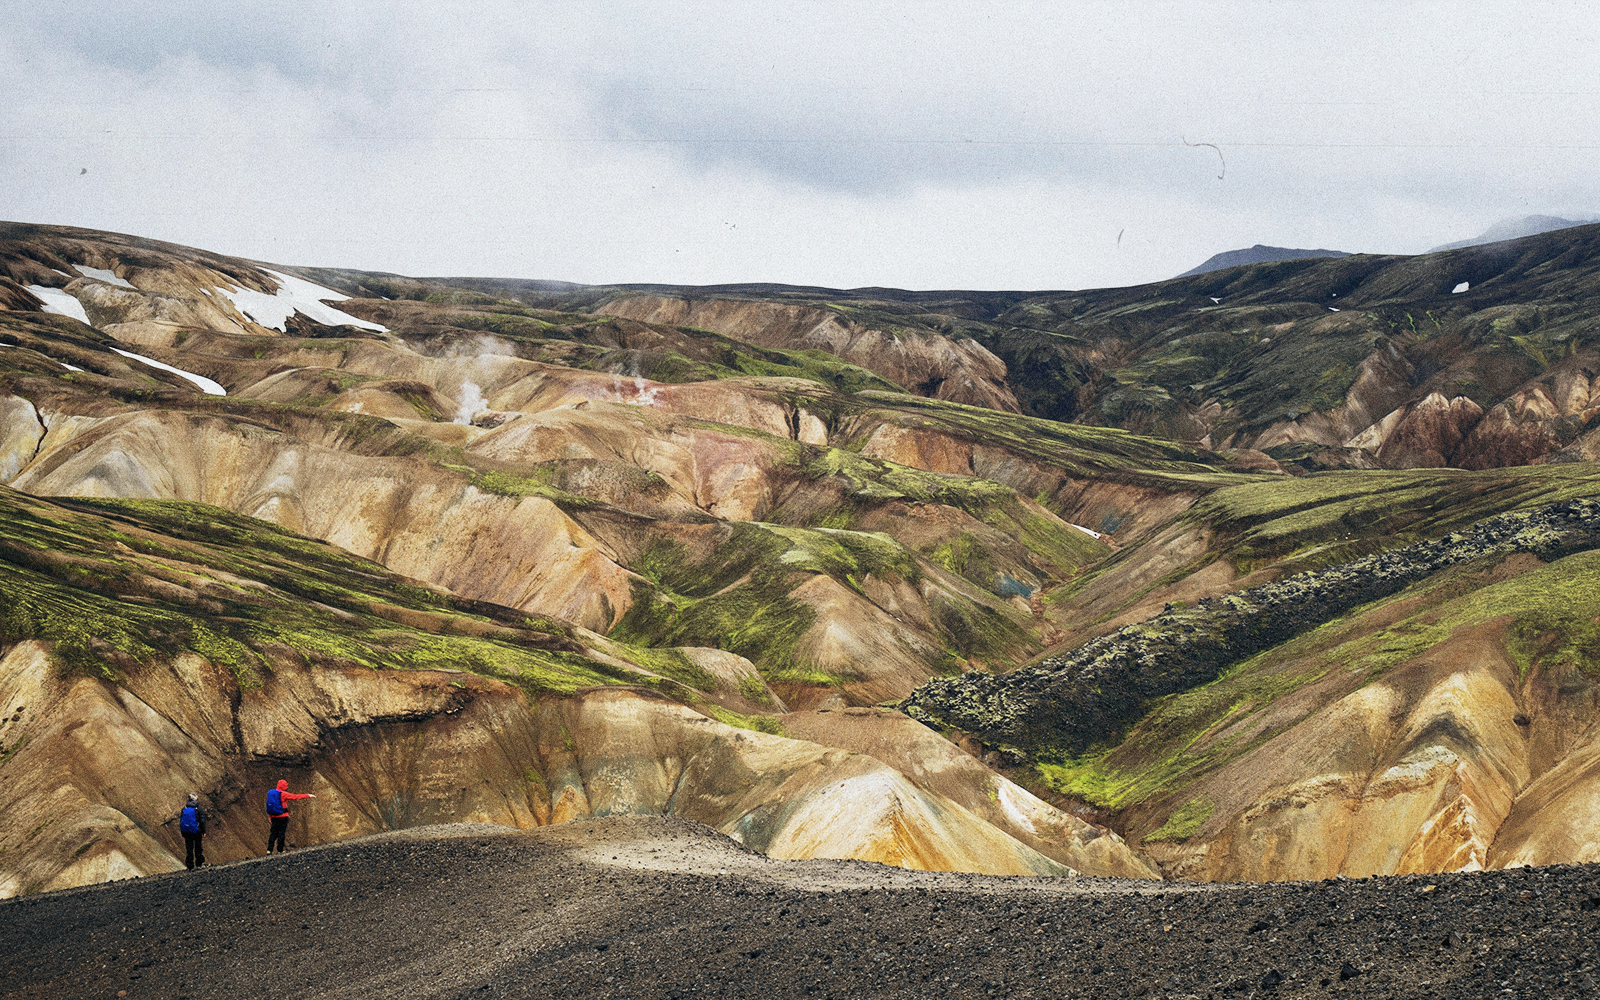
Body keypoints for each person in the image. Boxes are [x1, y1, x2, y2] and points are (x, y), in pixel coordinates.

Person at [265, 778, 315, 854]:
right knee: (281, 833)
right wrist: (308, 795)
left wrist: (270, 817)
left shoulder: (271, 793)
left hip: (274, 817)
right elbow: (295, 797)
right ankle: (280, 850)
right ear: (284, 787)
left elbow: (269, 806)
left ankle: (269, 850)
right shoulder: (283, 794)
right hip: (283, 816)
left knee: (273, 834)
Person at [179, 793, 206, 870]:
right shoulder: (198, 808)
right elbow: (202, 820)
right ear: (195, 799)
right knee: (198, 847)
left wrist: (183, 832)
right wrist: (203, 831)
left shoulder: (184, 808)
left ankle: (190, 865)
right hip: (196, 831)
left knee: (189, 848)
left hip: (187, 832)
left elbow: (181, 821)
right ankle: (199, 864)